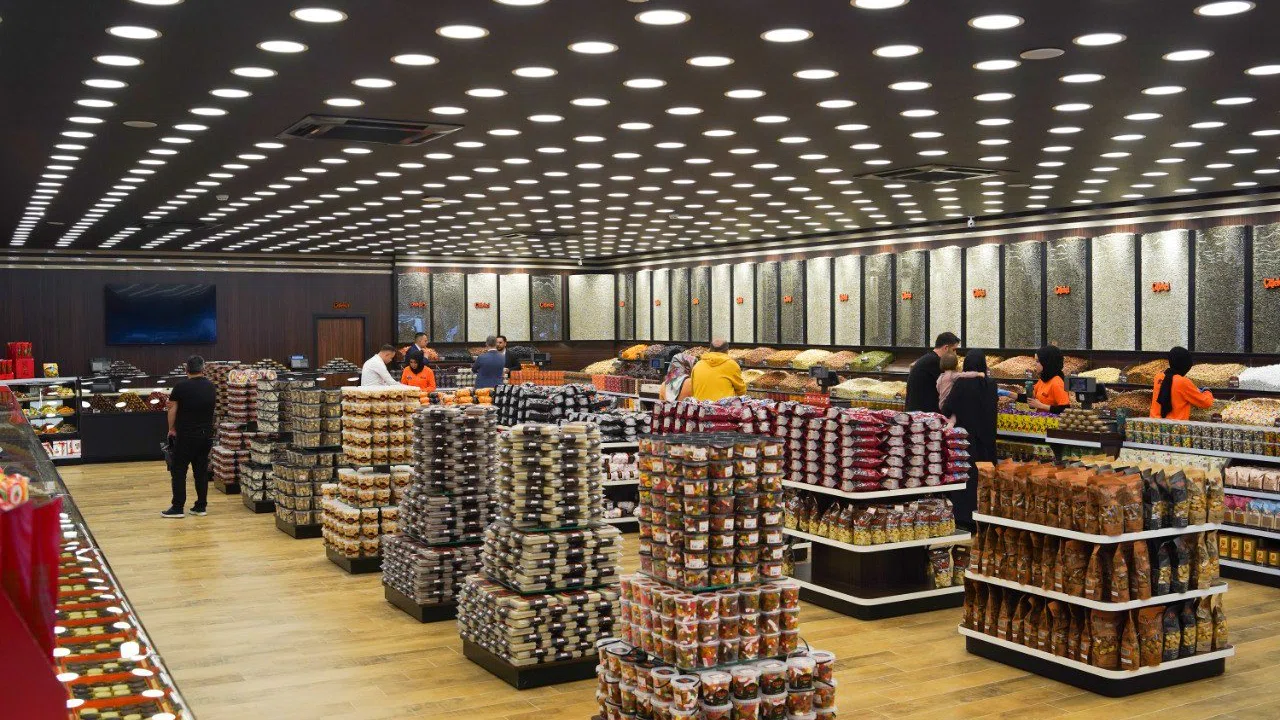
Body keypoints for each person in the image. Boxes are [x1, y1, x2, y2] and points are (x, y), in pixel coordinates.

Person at [940, 350, 999, 529]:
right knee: (984, 479)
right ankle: (985, 517)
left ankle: (964, 518)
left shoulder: (961, 384)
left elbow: (947, 408)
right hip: (986, 441)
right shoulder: (991, 384)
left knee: (965, 479)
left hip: (965, 442)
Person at [161, 355, 216, 518]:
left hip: (186, 435)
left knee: (179, 471)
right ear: (203, 369)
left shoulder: (180, 386)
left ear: (186, 370)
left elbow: (172, 409)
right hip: (206, 435)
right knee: (201, 471)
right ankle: (201, 506)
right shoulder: (211, 386)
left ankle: (178, 507)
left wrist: (171, 429)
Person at [1151, 346, 1214, 420]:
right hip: (1176, 425)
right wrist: (1207, 391)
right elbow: (1206, 403)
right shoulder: (1183, 382)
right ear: (1185, 366)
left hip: (1154, 423)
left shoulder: (1158, 377)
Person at [906, 332, 961, 413]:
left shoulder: (928, 358)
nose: (955, 353)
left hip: (916, 410)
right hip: (923, 414)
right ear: (946, 348)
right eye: (954, 350)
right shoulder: (935, 362)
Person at [936, 352, 983, 424]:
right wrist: (978, 374)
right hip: (950, 404)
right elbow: (965, 375)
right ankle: (951, 425)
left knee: (945, 419)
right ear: (956, 364)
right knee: (954, 417)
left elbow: (938, 388)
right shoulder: (952, 375)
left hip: (941, 403)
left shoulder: (941, 377)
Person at [1028, 345, 1071, 413]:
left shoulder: (1057, 383)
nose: (1034, 364)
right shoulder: (1043, 379)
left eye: (1038, 361)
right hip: (1042, 418)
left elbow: (1065, 409)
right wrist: (1010, 394)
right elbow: (1032, 398)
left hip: (1053, 419)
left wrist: (1041, 406)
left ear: (1047, 362)